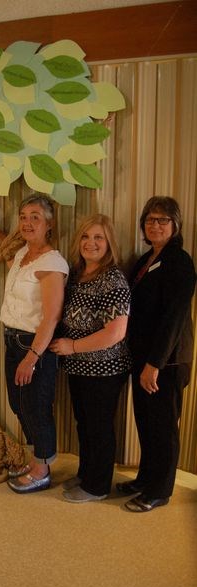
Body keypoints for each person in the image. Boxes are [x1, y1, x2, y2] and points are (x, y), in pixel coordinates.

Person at [0, 193, 69, 493]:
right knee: (18, 404)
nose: (28, 223)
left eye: (36, 217)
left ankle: (42, 469)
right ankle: (36, 460)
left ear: (49, 224)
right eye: (24, 217)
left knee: (36, 407)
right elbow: (15, 267)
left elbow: (52, 317)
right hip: (12, 340)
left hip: (34, 345)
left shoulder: (52, 263)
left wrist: (32, 356)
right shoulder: (23, 254)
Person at [118, 196, 196, 512]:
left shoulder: (180, 261)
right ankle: (145, 478)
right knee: (146, 423)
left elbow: (174, 317)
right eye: (150, 219)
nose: (155, 225)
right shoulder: (147, 258)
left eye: (163, 220)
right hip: (143, 358)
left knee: (162, 426)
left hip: (167, 360)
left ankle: (160, 490)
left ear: (175, 225)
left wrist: (155, 364)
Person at [50, 214, 131, 503]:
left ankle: (97, 487)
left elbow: (115, 332)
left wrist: (72, 346)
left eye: (98, 237)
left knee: (98, 426)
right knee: (83, 423)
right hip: (79, 367)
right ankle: (87, 473)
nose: (91, 243)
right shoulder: (77, 272)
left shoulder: (112, 279)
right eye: (85, 236)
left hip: (104, 368)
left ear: (109, 243)